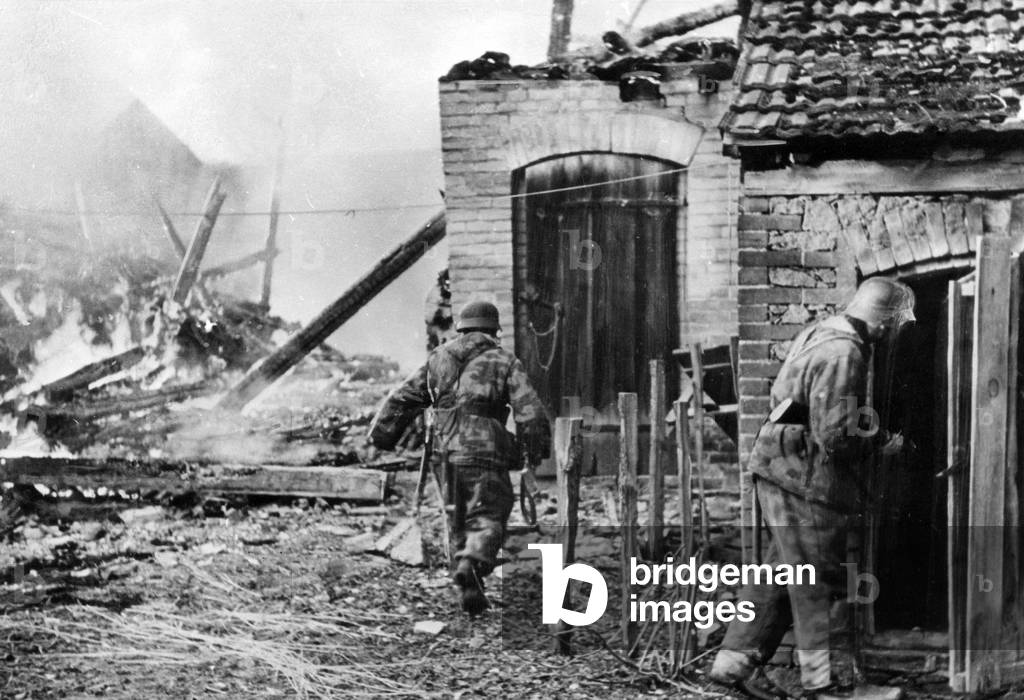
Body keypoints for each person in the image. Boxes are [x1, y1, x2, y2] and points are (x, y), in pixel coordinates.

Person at [709, 277, 915, 700]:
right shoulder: (846, 353)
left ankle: (732, 665)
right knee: (818, 579)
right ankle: (829, 686)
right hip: (804, 479)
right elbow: (836, 435)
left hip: (780, 468)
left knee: (779, 573)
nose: (895, 332)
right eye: (897, 323)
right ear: (882, 321)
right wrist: (881, 444)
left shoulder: (820, 333)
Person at [368, 300, 551, 615]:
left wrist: (382, 437)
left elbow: (404, 396)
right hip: (484, 450)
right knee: (490, 513)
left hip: (443, 451)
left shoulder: (439, 358)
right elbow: (530, 412)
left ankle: (471, 589)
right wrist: (534, 451)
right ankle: (471, 564)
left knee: (456, 517)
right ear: (494, 329)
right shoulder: (504, 360)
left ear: (462, 327)